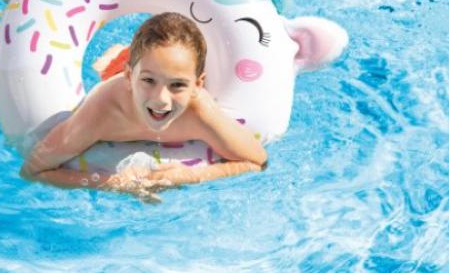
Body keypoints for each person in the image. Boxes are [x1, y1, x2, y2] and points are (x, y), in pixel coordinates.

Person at [22, 12, 268, 197]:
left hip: (143, 73)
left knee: (157, 66)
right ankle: (118, 57)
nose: (161, 99)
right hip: (117, 81)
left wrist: (193, 176)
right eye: (149, 81)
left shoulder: (199, 111)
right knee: (109, 67)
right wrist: (116, 183)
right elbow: (34, 170)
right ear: (130, 77)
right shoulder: (103, 113)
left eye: (178, 85)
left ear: (197, 85)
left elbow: (257, 161)